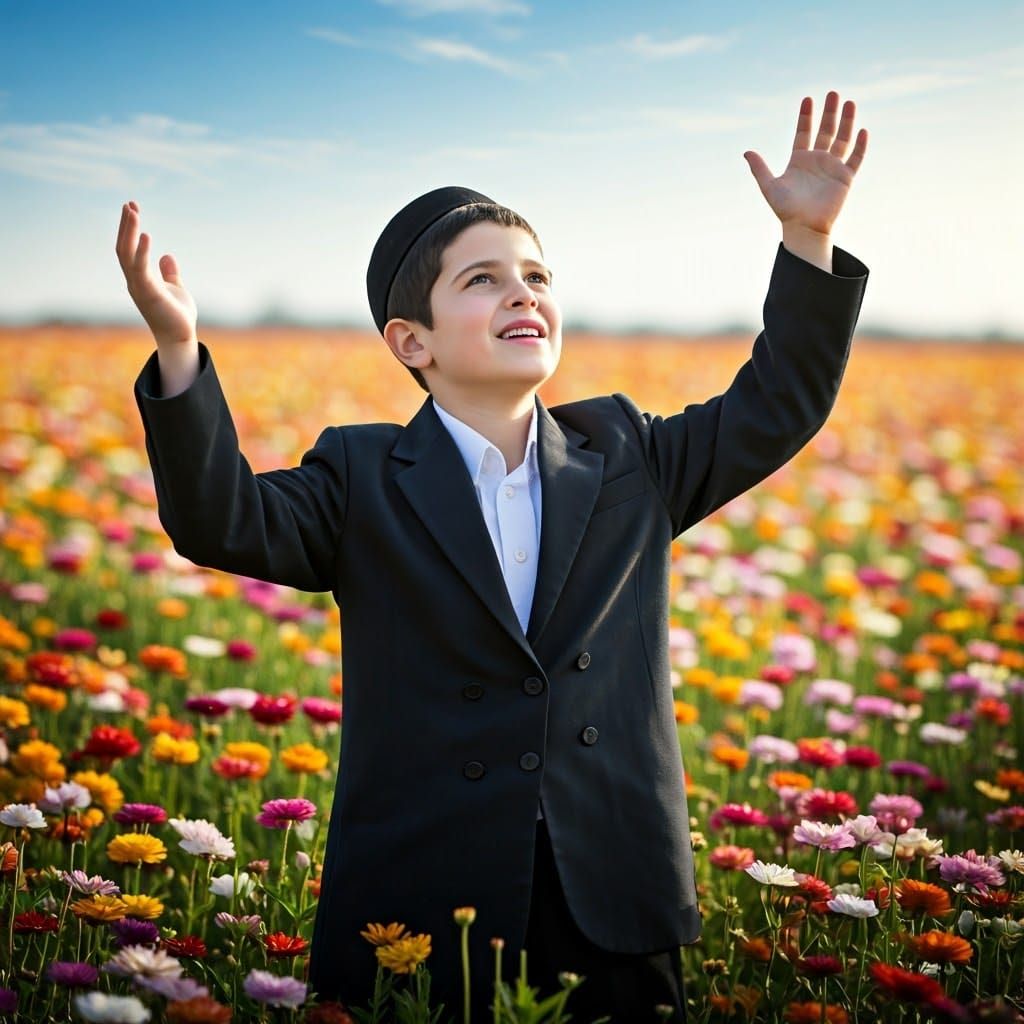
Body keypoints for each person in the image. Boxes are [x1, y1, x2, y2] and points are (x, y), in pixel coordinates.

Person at [118, 90, 869, 1023]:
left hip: (614, 896)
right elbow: (218, 519)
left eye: (537, 276)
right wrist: (179, 347)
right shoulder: (361, 476)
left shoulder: (628, 454)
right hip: (426, 904)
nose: (523, 292)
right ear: (412, 341)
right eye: (482, 280)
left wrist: (806, 237)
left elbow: (777, 405)